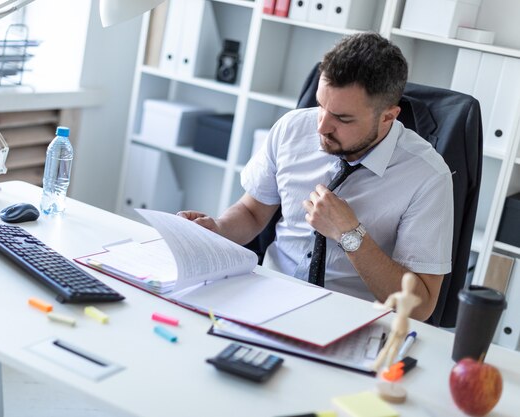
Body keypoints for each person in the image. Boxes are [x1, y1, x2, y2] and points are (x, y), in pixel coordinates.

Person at [177, 32, 453, 321]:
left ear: (388, 117)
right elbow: (252, 212)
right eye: (321, 105)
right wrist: (218, 230)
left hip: (350, 318)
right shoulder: (292, 128)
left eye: (342, 118)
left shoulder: (428, 177)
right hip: (265, 294)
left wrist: (351, 235)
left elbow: (420, 306)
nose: (321, 127)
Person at [372, 272, 421, 372]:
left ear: (403, 283)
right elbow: (419, 301)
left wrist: (376, 305)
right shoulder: (414, 299)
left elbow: (385, 307)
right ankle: (387, 367)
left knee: (387, 346)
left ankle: (377, 365)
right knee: (395, 348)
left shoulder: (397, 296)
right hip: (405, 324)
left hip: (398, 322)